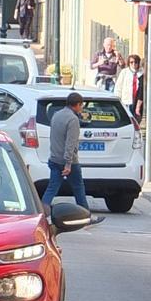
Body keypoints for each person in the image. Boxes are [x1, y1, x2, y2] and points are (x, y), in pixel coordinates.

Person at [39, 92, 103, 224]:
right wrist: (68, 163)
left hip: (55, 158)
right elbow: (71, 143)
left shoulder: (57, 115)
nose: (82, 108)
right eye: (81, 105)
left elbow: (55, 138)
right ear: (78, 104)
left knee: (52, 188)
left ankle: (41, 214)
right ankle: (86, 216)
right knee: (78, 188)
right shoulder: (73, 120)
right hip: (68, 161)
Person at [115, 54, 146, 124]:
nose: (133, 64)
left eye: (136, 62)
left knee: (136, 120)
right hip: (127, 101)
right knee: (128, 120)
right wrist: (118, 99)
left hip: (137, 101)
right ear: (129, 63)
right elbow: (118, 86)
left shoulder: (142, 73)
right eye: (131, 62)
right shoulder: (124, 72)